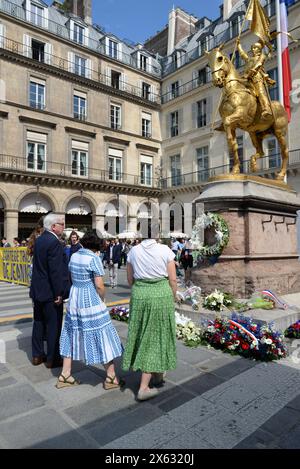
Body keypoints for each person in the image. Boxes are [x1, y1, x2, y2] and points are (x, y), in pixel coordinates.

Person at [57, 230, 124, 389]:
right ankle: (111, 377)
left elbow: (72, 277)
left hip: (75, 296)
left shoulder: (74, 256)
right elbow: (99, 285)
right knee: (101, 333)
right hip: (89, 297)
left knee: (71, 332)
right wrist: (102, 298)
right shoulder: (94, 258)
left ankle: (65, 374)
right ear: (96, 245)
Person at [122, 235, 178, 401]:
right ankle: (144, 387)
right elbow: (173, 279)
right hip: (160, 294)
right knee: (155, 336)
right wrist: (172, 296)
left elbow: (130, 279)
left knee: (142, 334)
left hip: (139, 293)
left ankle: (158, 374)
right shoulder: (165, 250)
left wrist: (141, 290)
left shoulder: (133, 251)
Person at [30, 213, 70, 369]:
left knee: (38, 323)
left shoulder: (39, 239)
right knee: (53, 325)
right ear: (53, 226)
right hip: (49, 292)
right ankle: (52, 359)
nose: (63, 226)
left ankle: (37, 355)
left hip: (38, 290)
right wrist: (58, 293)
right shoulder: (54, 242)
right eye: (61, 224)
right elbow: (55, 271)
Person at [237, 38, 275, 119]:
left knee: (261, 92)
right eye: (252, 48)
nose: (253, 49)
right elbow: (242, 54)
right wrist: (238, 45)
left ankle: (266, 109)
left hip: (257, 77)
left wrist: (250, 73)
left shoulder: (262, 56)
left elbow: (258, 65)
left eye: (255, 48)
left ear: (259, 49)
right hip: (247, 79)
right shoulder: (249, 59)